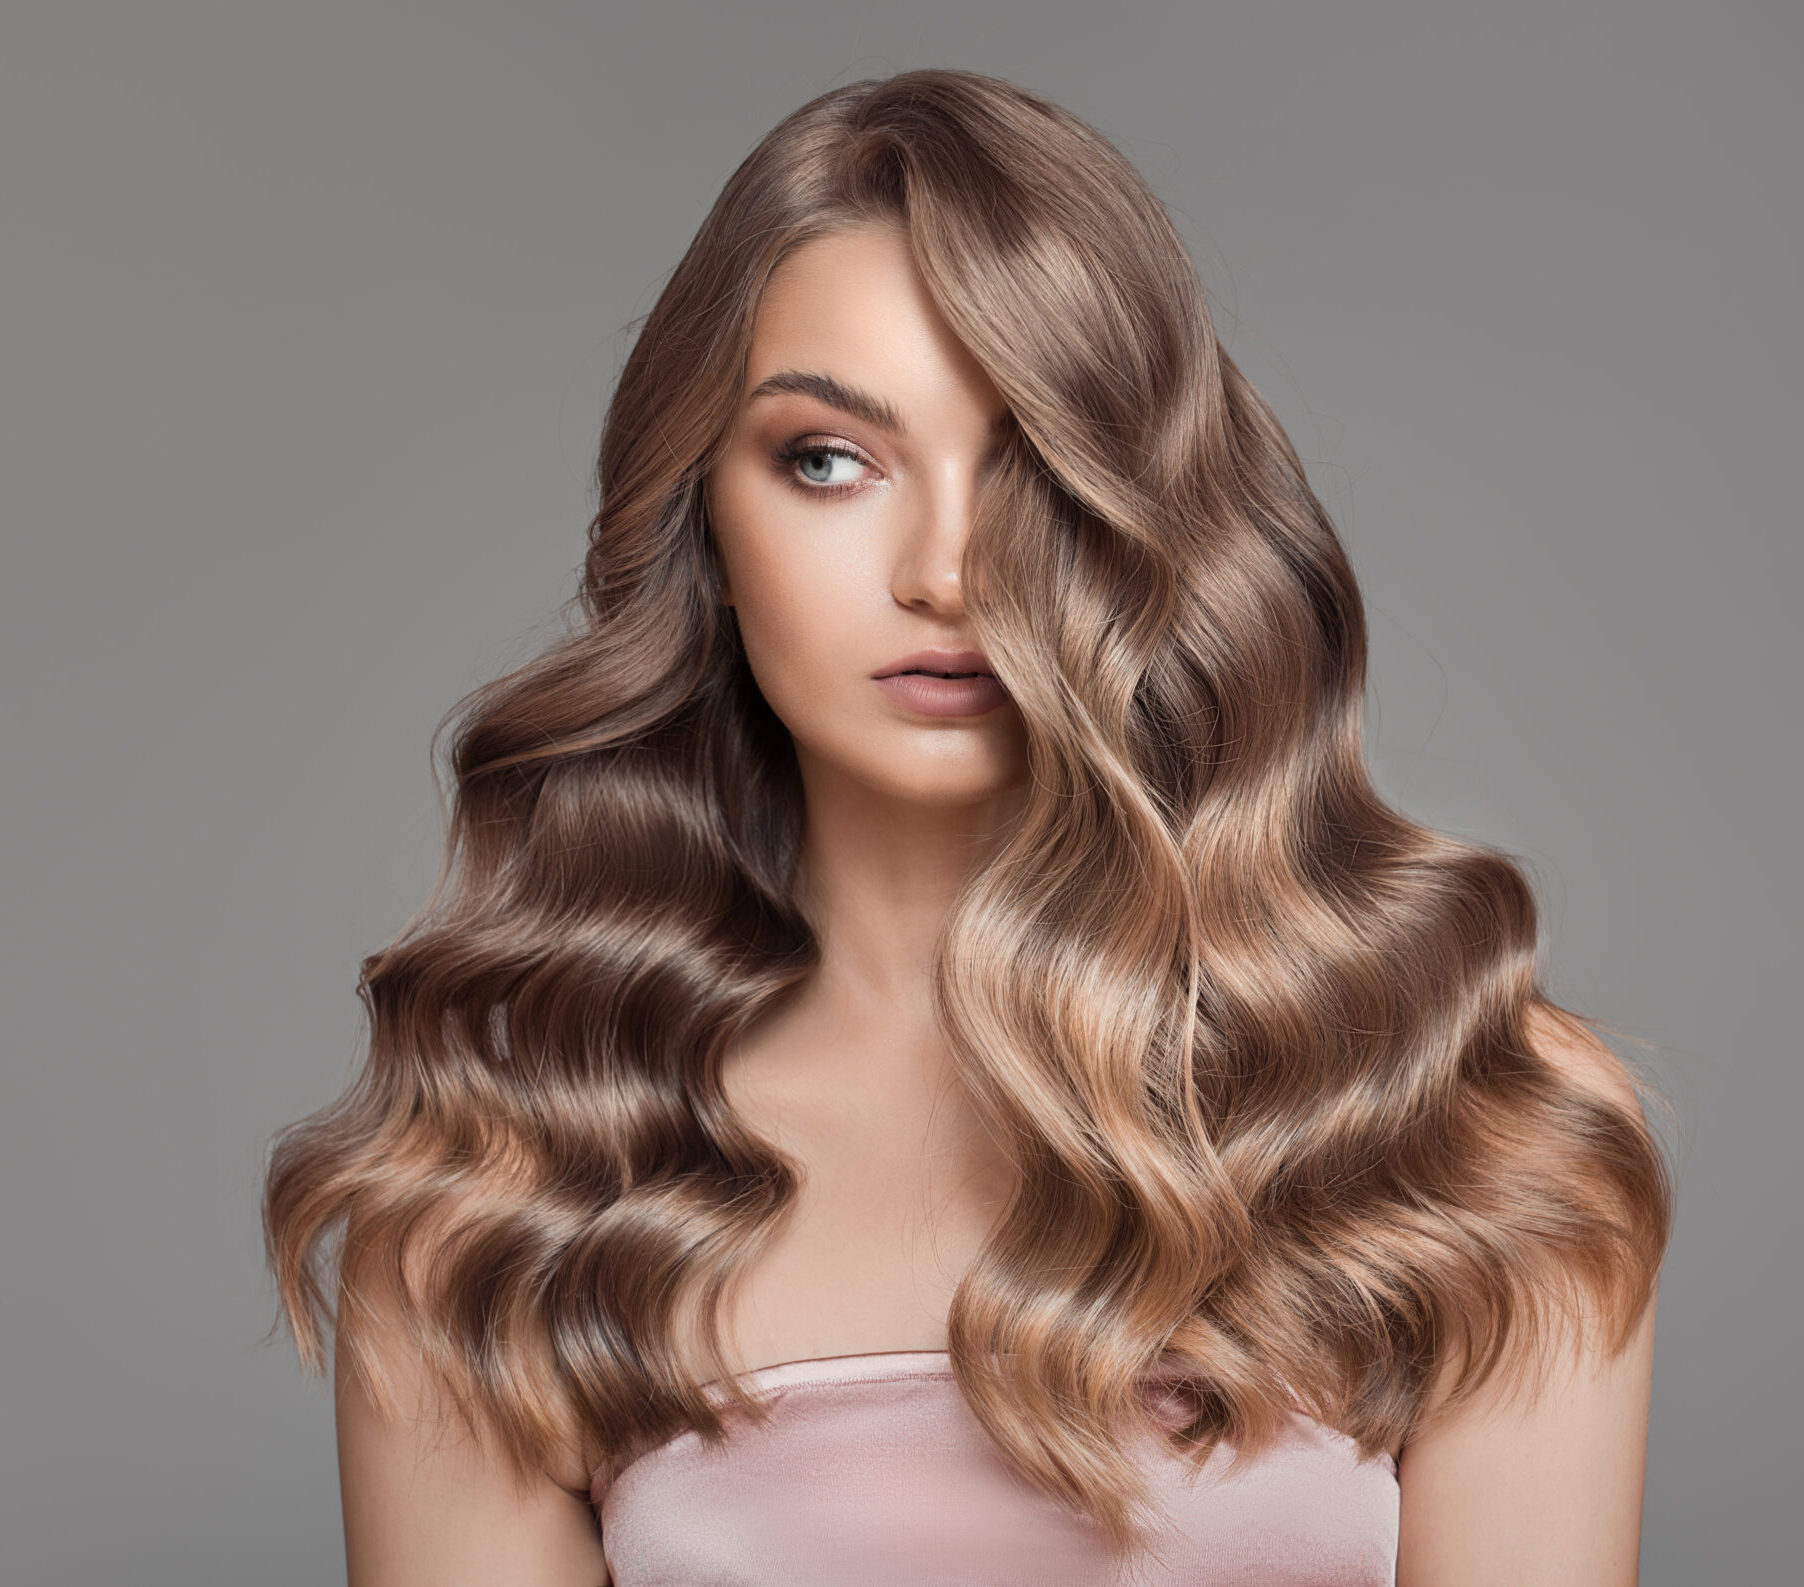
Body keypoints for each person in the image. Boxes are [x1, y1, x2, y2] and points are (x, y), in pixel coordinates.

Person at [261, 68, 1674, 1586]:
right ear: (706, 529)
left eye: (1035, 463)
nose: (947, 569)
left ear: (1150, 513)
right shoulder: (505, 1187)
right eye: (829, 460)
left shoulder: (1469, 1117)